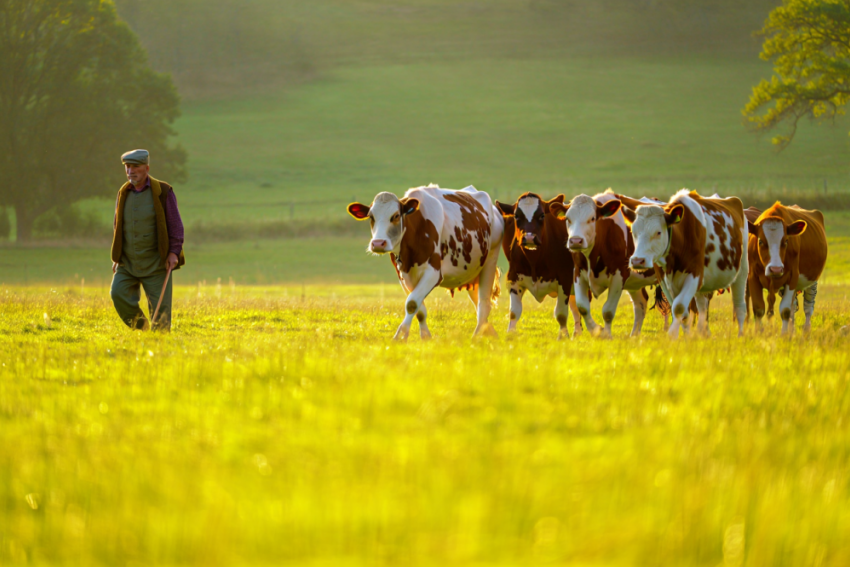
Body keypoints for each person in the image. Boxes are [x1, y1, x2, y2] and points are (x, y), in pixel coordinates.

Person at [110, 149, 185, 330]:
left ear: (147, 168)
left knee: (162, 313)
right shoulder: (123, 192)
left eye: (135, 166)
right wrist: (117, 255)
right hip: (127, 262)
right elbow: (117, 226)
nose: (130, 171)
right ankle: (142, 328)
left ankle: (160, 346)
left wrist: (174, 252)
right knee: (117, 294)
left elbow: (175, 225)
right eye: (127, 167)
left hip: (156, 263)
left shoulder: (163, 191)